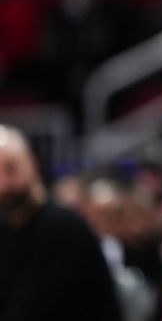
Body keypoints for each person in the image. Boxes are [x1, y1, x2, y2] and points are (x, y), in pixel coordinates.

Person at [0, 125, 121, 321]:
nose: (4, 183)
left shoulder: (66, 229)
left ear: (32, 164)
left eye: (11, 168)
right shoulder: (5, 229)